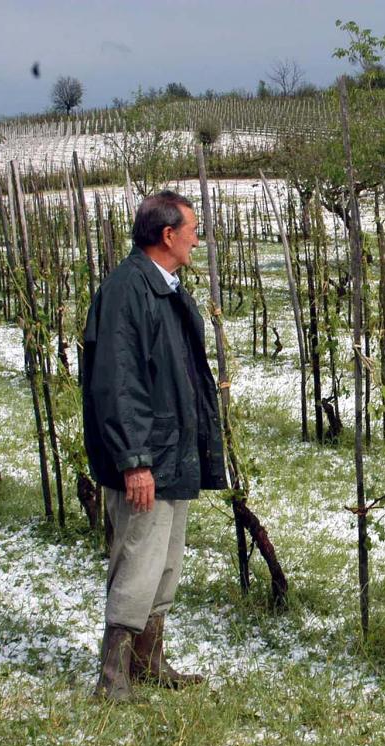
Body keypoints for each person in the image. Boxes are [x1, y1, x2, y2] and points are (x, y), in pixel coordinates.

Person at [81, 190, 227, 702]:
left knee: (165, 561)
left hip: (173, 449)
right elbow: (117, 384)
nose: (197, 238)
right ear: (168, 235)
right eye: (192, 229)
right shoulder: (128, 291)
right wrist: (134, 461)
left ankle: (149, 661)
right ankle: (112, 675)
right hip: (147, 456)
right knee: (138, 558)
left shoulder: (165, 287)